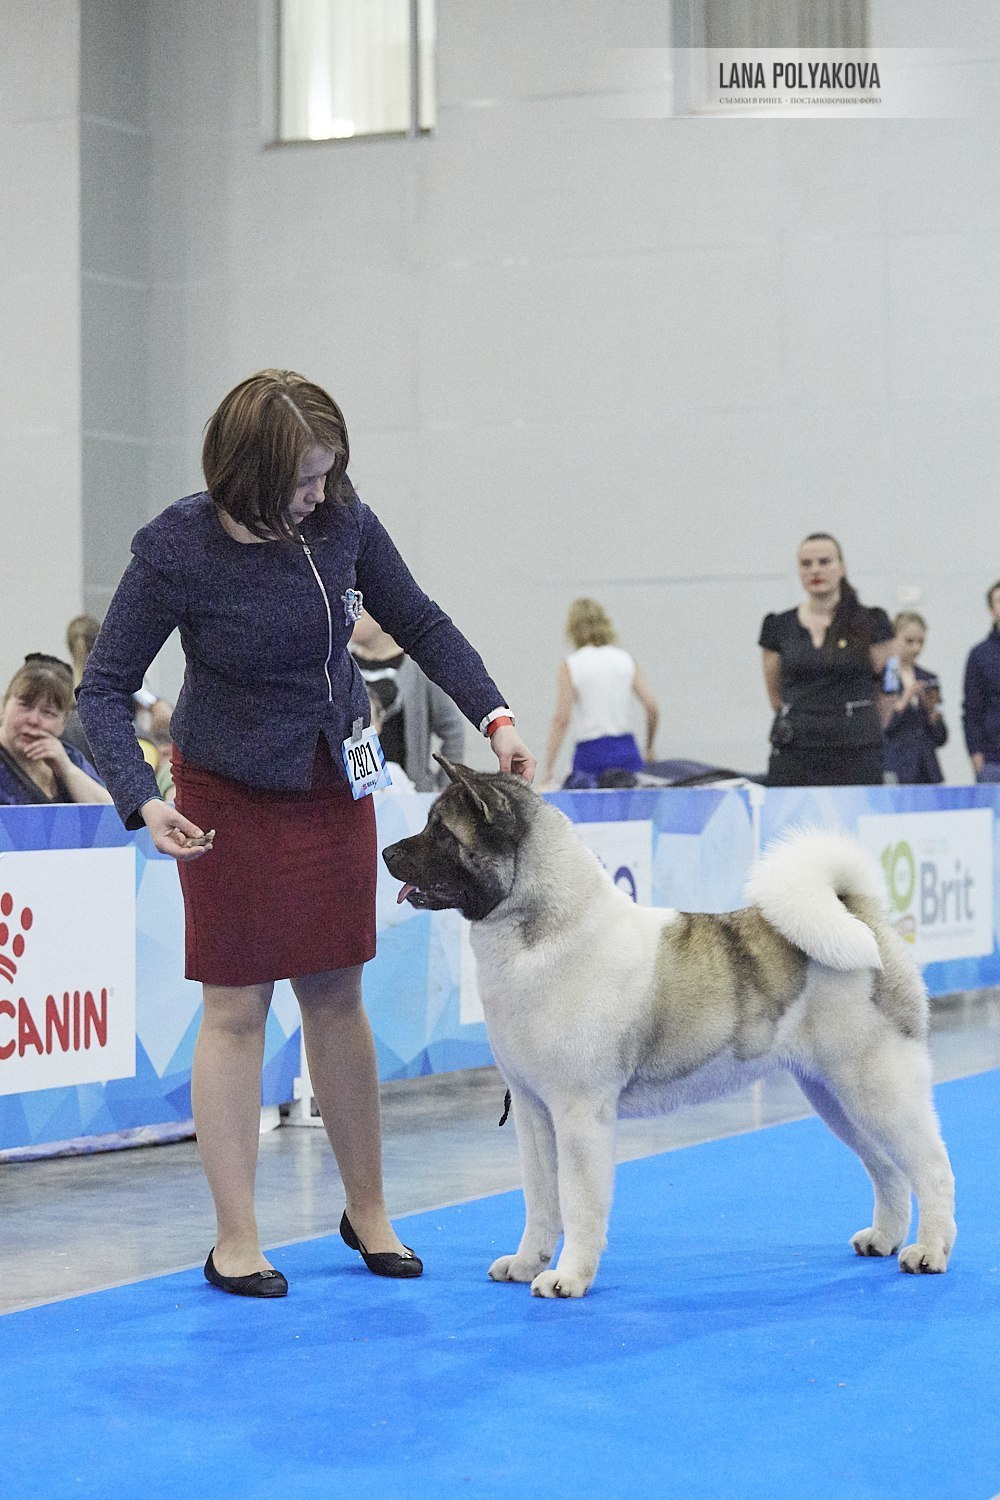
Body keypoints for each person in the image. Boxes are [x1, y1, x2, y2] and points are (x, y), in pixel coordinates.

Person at [77, 368, 535, 1299]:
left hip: (334, 777)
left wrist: (495, 715)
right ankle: (235, 1237)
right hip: (222, 794)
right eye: (302, 480)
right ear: (247, 471)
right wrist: (140, 797)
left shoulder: (344, 522)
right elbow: (102, 685)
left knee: (337, 995)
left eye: (328, 475)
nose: (319, 495)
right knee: (236, 1007)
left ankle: (367, 1209)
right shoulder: (176, 547)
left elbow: (420, 620)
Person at [759, 532, 895, 787]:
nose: (815, 570)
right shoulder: (778, 626)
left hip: (856, 747)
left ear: (841, 567)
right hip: (797, 746)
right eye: (806, 564)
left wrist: (865, 725)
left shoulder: (873, 621)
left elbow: (889, 686)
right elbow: (775, 694)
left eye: (824, 562)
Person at [541, 598, 659, 787]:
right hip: (626, 752)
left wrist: (548, 769)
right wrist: (649, 747)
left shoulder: (572, 665)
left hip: (591, 754)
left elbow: (561, 719)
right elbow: (652, 707)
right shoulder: (625, 660)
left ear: (572, 628)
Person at [350, 608, 466, 790]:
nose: (350, 617)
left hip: (409, 790)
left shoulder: (419, 668)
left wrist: (445, 788)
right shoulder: (341, 666)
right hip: (360, 789)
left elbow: (453, 728)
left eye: (359, 612)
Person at [0, 655, 112, 806]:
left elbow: (113, 817)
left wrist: (66, 769)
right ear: (4, 706)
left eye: (48, 712)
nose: (33, 720)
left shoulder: (70, 757)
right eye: (25, 705)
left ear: (64, 723)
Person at [882, 611, 947, 784]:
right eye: (909, 641)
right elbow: (883, 728)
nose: (916, 648)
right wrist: (905, 698)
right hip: (896, 767)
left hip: (926, 768)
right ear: (894, 639)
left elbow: (941, 737)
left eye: (920, 642)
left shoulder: (929, 678)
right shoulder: (885, 677)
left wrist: (933, 713)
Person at [962, 579, 1000, 782]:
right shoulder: (980, 655)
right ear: (991, 609)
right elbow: (972, 709)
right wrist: (976, 754)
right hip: (993, 758)